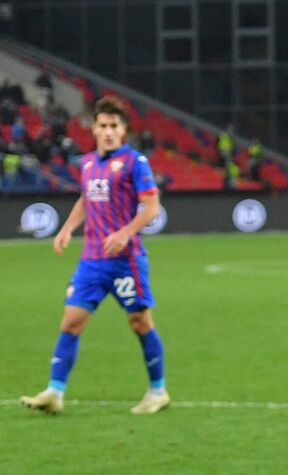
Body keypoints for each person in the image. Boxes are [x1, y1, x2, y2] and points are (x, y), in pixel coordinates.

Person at [20, 96, 167, 415]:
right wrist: (66, 229)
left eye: (115, 126)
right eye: (103, 126)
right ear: (95, 129)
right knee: (71, 322)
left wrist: (126, 232)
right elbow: (86, 200)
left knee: (140, 321)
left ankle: (158, 391)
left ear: (124, 130)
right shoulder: (87, 163)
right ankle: (54, 392)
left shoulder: (134, 162)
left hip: (126, 260)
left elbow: (152, 207)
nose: (109, 131)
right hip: (91, 261)